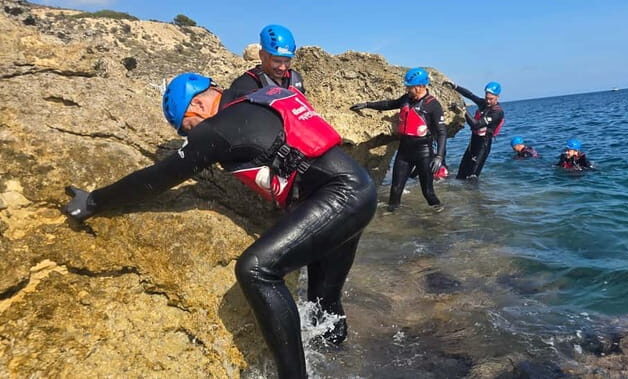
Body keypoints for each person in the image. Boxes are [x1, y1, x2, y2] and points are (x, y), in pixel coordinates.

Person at [64, 73, 377, 379]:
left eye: (186, 127)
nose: (190, 136)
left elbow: (157, 178)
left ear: (197, 106)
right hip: (360, 187)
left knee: (256, 270)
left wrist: (94, 201)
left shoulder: (218, 128)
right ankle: (341, 362)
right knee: (323, 299)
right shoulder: (256, 101)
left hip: (340, 196)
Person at [350, 68, 446, 212]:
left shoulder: (433, 105)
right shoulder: (406, 99)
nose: (407, 89)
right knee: (395, 189)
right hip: (404, 152)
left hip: (424, 153)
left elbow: (442, 133)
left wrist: (439, 156)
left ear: (419, 87)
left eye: (409, 87)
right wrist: (367, 105)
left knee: (428, 192)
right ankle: (391, 218)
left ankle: (440, 213)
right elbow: (389, 104)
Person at [443, 80, 505, 180]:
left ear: (498, 97)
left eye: (491, 99)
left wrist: (463, 110)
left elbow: (476, 125)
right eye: (486, 98)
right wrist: (455, 86)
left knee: (472, 177)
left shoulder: (497, 112)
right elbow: (470, 95)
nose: (488, 101)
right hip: (473, 143)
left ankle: (475, 195)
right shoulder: (484, 103)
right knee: (461, 174)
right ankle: (458, 194)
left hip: (483, 146)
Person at [229, 24, 306, 97]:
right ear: (262, 55)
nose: (282, 67)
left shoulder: (295, 80)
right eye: (277, 61)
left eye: (287, 61)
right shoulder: (244, 85)